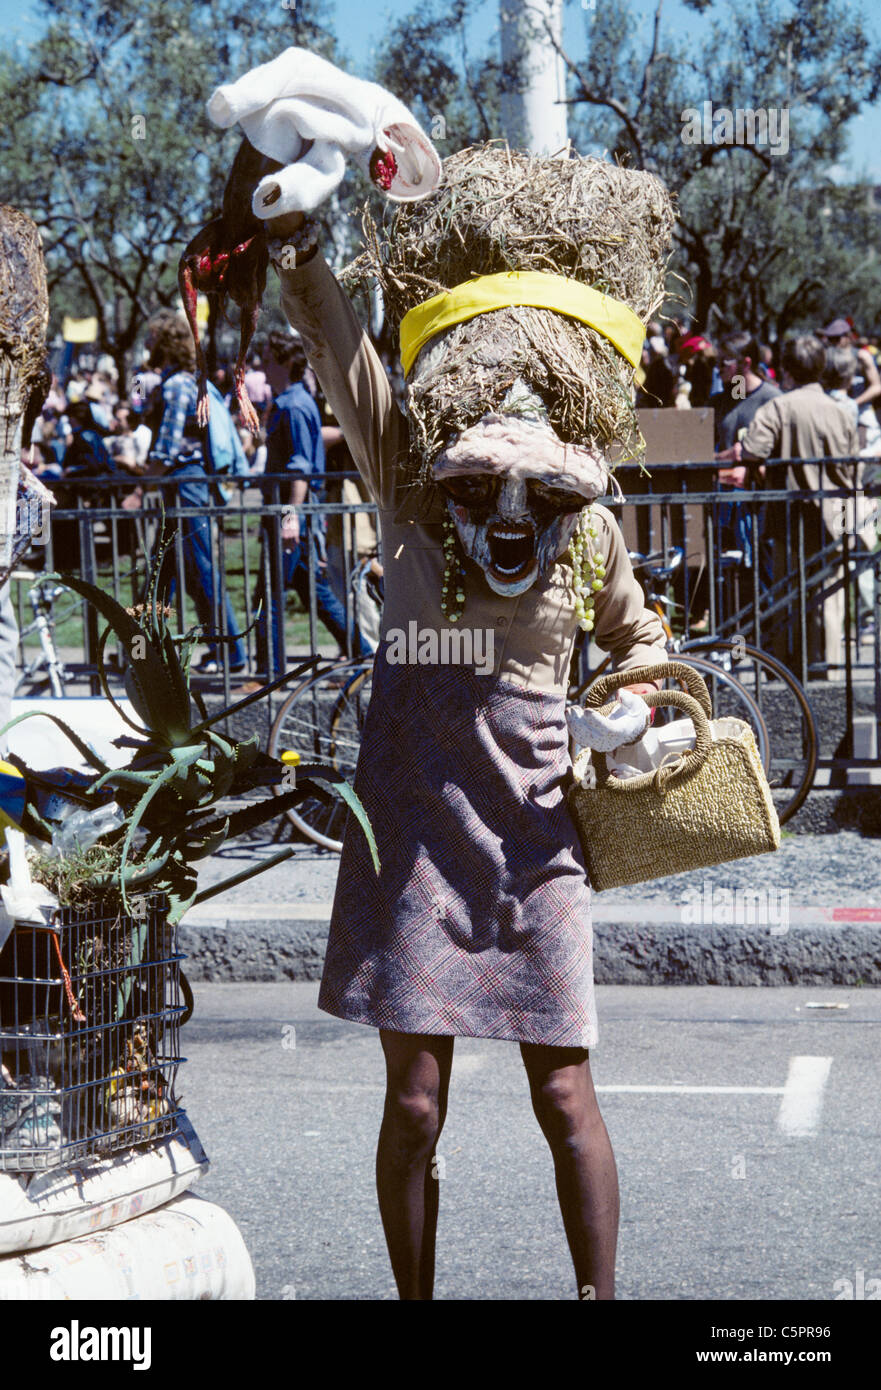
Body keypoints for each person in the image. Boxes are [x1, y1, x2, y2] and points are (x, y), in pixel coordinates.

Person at [264, 167, 669, 1301]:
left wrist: (631, 708)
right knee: (413, 1100)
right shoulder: (407, 489)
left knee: (562, 1094)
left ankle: (599, 1299)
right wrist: (300, 249)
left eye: (533, 490)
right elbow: (347, 362)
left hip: (535, 840)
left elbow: (643, 644)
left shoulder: (591, 531)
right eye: (490, 477)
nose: (509, 511)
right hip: (416, 826)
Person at [719, 334, 873, 675]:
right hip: (835, 518)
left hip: (790, 517)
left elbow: (754, 449)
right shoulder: (841, 411)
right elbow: (852, 466)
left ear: (787, 370)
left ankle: (794, 668)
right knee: (828, 597)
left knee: (791, 595)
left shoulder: (779, 406)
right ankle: (828, 669)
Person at [252, 337, 372, 678]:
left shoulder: (292, 405)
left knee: (270, 592)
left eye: (266, 358)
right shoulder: (290, 402)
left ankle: (270, 673)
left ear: (281, 362)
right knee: (314, 592)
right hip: (294, 513)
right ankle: (362, 654)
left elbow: (300, 467)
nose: (261, 365)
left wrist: (292, 516)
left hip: (291, 515)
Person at [143, 310, 247, 674]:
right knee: (163, 569)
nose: (146, 344)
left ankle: (231, 652)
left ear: (167, 343)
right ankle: (146, 647)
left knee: (200, 568)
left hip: (185, 483)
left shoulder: (175, 386)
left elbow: (167, 447)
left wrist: (138, 486)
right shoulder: (185, 381)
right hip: (184, 484)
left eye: (153, 337)